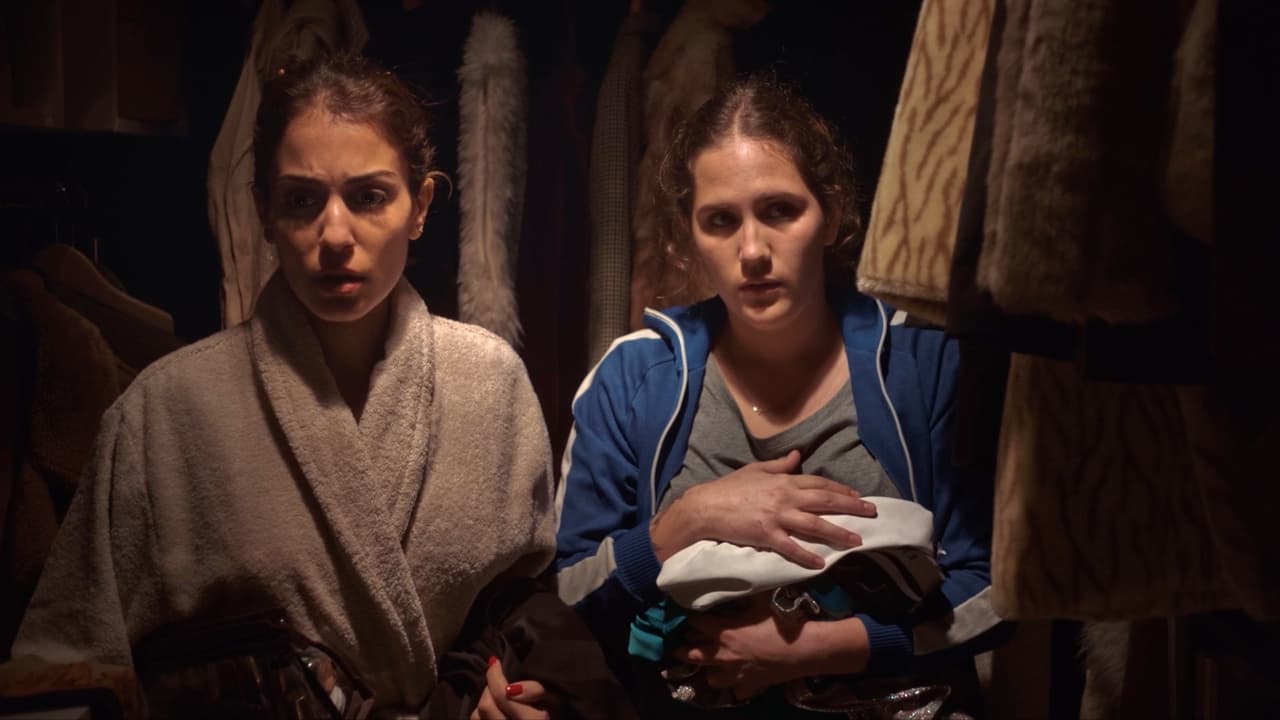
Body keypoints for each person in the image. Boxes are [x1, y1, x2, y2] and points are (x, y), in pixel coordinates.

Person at [9, 54, 572, 719]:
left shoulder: (493, 384)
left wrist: (503, 678)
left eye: (369, 196)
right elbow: (61, 672)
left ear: (419, 206)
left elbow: (527, 609)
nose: (334, 235)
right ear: (263, 211)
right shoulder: (164, 413)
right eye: (302, 200)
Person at [554, 75, 1011, 716]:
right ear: (688, 234)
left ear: (831, 215)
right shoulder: (632, 378)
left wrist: (817, 649)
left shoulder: (926, 366)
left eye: (779, 211)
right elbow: (564, 600)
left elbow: (1000, 589)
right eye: (720, 221)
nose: (752, 251)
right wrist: (686, 522)